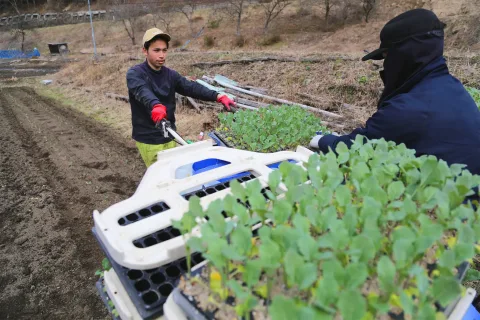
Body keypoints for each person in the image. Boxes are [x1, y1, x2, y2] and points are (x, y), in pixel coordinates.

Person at [310, 9, 480, 175]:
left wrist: (323, 139)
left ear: (405, 54)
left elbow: (356, 146)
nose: (386, 65)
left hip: (451, 201)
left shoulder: (409, 107)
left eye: (387, 56)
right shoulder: (454, 89)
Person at [127, 28, 236, 167]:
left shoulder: (170, 75)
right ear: (145, 51)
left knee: (174, 172)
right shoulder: (135, 74)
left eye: (164, 50)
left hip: (170, 134)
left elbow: (191, 87)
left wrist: (218, 96)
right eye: (156, 50)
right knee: (161, 178)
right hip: (149, 138)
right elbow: (142, 91)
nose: (161, 55)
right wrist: (155, 105)